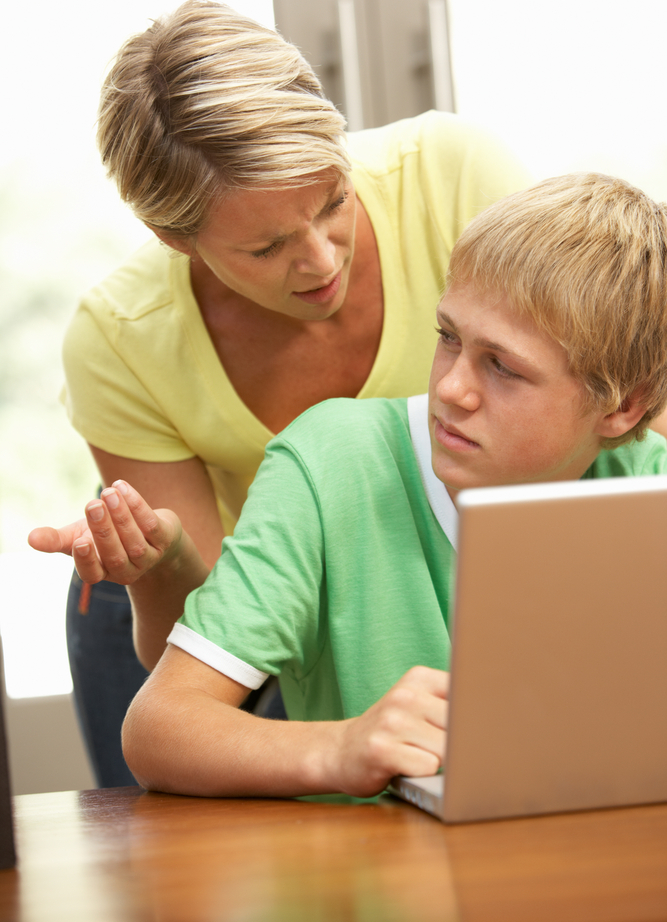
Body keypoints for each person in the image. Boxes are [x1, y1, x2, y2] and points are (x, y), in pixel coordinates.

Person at [32, 172, 667, 797]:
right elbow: (159, 728)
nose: (450, 388)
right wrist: (342, 746)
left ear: (624, 410)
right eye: (448, 338)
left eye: (502, 367)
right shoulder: (330, 464)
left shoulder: (649, 484)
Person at [59, 0, 531, 785]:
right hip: (236, 599)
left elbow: (595, 384)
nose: (319, 262)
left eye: (333, 202)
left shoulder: (455, 176)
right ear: (176, 239)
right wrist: (165, 559)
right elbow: (210, 640)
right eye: (268, 245)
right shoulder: (118, 339)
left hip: (429, 569)